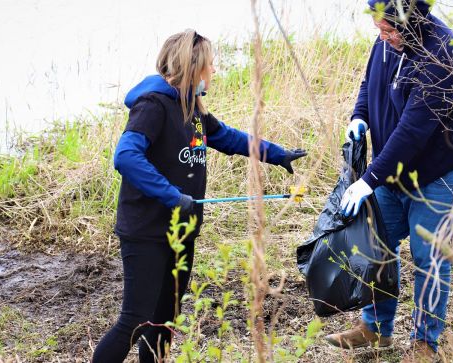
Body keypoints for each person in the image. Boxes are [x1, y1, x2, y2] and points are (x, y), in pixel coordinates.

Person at [93, 29, 306, 363]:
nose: (215, 71)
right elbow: (126, 156)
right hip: (146, 231)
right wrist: (171, 195)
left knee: (164, 321)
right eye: (210, 64)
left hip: (181, 231)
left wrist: (277, 154)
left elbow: (229, 138)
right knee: (135, 320)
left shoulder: (193, 109)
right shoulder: (153, 106)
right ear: (192, 67)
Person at [323, 0, 453, 361]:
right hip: (397, 166)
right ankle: (376, 329)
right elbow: (370, 83)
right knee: (376, 240)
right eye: (379, 27)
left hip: (447, 165)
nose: (382, 34)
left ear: (412, 20)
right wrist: (359, 116)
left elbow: (413, 130)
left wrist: (369, 179)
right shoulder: (387, 39)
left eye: (389, 28)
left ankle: (424, 343)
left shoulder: (443, 54)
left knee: (428, 253)